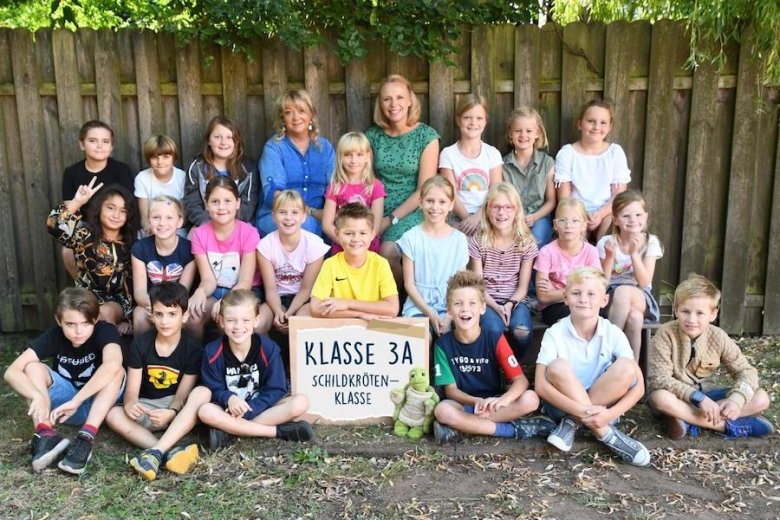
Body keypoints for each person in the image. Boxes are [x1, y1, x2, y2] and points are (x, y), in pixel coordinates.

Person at [534, 267, 650, 467]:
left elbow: (638, 385)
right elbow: (540, 386)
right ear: (565, 298)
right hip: (563, 405)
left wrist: (610, 414)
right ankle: (607, 435)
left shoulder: (612, 332)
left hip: (602, 408)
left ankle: (572, 424)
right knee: (557, 366)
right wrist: (584, 412)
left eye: (591, 294)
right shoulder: (555, 333)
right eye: (576, 293)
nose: (583, 299)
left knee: (626, 367)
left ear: (604, 301)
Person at [3, 288, 125, 475]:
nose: (78, 331)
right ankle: (45, 434)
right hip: (66, 408)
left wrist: (76, 402)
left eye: (85, 323)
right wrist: (38, 396)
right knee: (32, 367)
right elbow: (11, 372)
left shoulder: (104, 330)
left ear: (95, 319)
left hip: (100, 404)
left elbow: (113, 363)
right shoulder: (55, 335)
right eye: (70, 324)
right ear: (59, 321)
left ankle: (86, 438)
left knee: (116, 369)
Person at [432, 270, 555, 443]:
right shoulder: (442, 345)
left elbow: (521, 381)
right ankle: (512, 429)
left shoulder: (494, 337)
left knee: (530, 399)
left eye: (472, 303)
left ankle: (461, 429)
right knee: (442, 410)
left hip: (495, 402)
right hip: (465, 404)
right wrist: (476, 402)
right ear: (449, 310)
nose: (465, 309)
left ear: (482, 308)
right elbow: (451, 391)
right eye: (458, 303)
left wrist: (503, 400)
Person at [646, 274, 773, 440]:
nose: (692, 319)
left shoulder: (718, 336)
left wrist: (736, 400)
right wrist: (698, 399)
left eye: (700, 313)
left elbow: (746, 370)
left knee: (761, 398)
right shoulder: (665, 334)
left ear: (713, 314)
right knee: (659, 398)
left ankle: (688, 420)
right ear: (676, 309)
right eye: (685, 311)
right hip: (679, 396)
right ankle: (727, 426)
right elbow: (659, 378)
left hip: (710, 395)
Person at [106, 282, 208, 480]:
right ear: (151, 315)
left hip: (176, 409)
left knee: (201, 395)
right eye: (159, 314)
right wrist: (130, 404)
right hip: (149, 408)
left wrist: (171, 412)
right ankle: (164, 450)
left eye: (172, 314)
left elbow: (183, 393)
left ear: (184, 316)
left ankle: (157, 450)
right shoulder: (141, 344)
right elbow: (132, 390)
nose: (165, 321)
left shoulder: (193, 348)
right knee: (112, 414)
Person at [198, 289, 314, 449]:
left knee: (300, 402)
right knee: (205, 411)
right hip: (228, 409)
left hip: (260, 408)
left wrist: (250, 410)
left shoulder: (268, 348)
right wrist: (229, 398)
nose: (238, 326)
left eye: (246, 320)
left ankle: (229, 431)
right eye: (231, 320)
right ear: (221, 321)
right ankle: (277, 432)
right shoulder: (212, 351)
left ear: (256, 320)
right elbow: (213, 388)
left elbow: (276, 389)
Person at [365, 74, 440, 284]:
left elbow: (424, 190)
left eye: (399, 97)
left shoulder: (426, 137)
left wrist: (390, 220)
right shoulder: (372, 137)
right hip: (378, 207)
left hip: (413, 210)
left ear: (409, 100)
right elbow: (367, 183)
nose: (393, 104)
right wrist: (375, 218)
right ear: (380, 104)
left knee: (388, 250)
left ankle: (403, 301)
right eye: (387, 99)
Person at [47, 177, 136, 335]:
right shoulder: (84, 234)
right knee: (74, 314)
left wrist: (128, 318)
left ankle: (106, 356)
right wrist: (78, 201)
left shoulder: (130, 244)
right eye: (110, 208)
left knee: (102, 314)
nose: (116, 215)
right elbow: (54, 226)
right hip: (84, 296)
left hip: (114, 301)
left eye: (123, 211)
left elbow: (132, 284)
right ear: (99, 207)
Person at [468, 182, 537, 360]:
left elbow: (523, 287)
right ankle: (492, 370)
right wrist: (496, 306)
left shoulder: (526, 242)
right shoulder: (478, 241)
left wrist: (509, 305)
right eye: (496, 207)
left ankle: (515, 367)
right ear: (487, 209)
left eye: (508, 207)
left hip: (516, 300)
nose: (501, 213)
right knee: (493, 329)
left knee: (522, 332)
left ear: (516, 211)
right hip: (487, 299)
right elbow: (478, 285)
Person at [256, 89, 335, 237]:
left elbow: (336, 187)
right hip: (280, 216)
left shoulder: (325, 148)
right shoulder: (274, 148)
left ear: (311, 114)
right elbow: (275, 194)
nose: (296, 117)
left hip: (322, 216)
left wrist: (332, 215)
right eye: (288, 112)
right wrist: (309, 212)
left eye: (301, 111)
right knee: (307, 226)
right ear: (282, 119)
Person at [61, 120, 134, 279]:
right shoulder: (72, 173)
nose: (99, 146)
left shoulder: (121, 170)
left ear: (111, 146)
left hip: (117, 225)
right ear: (82, 144)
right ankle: (86, 287)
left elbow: (126, 208)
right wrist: (80, 201)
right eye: (93, 141)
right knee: (67, 250)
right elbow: (68, 214)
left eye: (105, 141)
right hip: (87, 227)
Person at [398, 176, 468, 336]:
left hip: (450, 304)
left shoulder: (459, 240)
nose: (435, 207)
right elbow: (409, 284)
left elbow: (460, 283)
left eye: (442, 202)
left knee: (457, 335)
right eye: (430, 201)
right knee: (423, 337)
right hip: (419, 304)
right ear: (421, 202)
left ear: (451, 205)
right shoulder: (411, 237)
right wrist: (430, 314)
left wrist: (449, 317)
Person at [189, 177, 261, 332]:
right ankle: (198, 356)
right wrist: (200, 291)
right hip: (214, 290)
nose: (221, 207)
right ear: (206, 204)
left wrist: (225, 302)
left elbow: (246, 281)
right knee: (192, 317)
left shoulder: (249, 233)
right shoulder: (200, 234)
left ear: (238, 203)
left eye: (227, 201)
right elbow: (208, 279)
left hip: (244, 291)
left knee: (230, 316)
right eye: (215, 202)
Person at [597, 190, 663, 359]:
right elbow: (602, 283)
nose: (633, 220)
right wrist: (610, 257)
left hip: (641, 295)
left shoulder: (651, 242)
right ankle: (631, 366)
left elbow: (644, 281)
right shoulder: (606, 243)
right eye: (626, 215)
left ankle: (607, 353)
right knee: (634, 317)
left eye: (638, 215)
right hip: (610, 297)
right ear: (615, 220)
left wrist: (634, 254)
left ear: (645, 218)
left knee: (624, 292)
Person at [555, 100, 630, 242]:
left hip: (607, 211)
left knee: (609, 240)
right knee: (575, 243)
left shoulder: (615, 152)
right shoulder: (567, 153)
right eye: (591, 121)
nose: (596, 126)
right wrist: (581, 217)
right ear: (579, 124)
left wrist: (600, 214)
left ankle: (606, 262)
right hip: (575, 213)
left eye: (603, 123)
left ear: (610, 127)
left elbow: (619, 195)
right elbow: (564, 197)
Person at [257, 190, 329, 336]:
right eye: (282, 212)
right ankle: (263, 357)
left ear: (303, 216)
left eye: (295, 212)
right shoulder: (265, 245)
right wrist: (278, 311)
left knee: (302, 323)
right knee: (258, 324)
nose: (288, 218)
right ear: (273, 216)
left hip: (305, 299)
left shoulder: (314, 244)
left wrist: (290, 313)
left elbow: (306, 288)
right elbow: (270, 289)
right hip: (277, 298)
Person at [310, 203, 399, 319]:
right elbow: (315, 308)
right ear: (337, 234)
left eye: (362, 233)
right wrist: (359, 314)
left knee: (415, 332)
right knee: (303, 313)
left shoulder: (380, 263)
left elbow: (392, 309)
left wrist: (347, 303)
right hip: (342, 328)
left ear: (372, 235)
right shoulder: (330, 264)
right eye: (348, 233)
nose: (356, 239)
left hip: (374, 326)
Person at [131, 196, 196, 336]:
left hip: (176, 305)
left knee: (191, 316)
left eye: (169, 218)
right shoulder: (140, 248)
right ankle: (140, 355)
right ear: (148, 220)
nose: (162, 223)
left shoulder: (189, 250)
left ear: (180, 221)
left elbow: (183, 291)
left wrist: (166, 312)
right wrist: (156, 308)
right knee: (139, 314)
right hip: (150, 303)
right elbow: (139, 292)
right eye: (156, 217)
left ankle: (190, 355)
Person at [438, 94, 502, 237]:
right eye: (467, 117)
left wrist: (478, 217)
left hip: (487, 212)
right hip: (457, 213)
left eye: (479, 118)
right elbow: (451, 193)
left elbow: (495, 191)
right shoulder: (448, 154)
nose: (473, 122)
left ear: (485, 121)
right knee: (462, 243)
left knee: (488, 242)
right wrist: (467, 218)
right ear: (458, 120)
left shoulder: (492, 154)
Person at [535, 199, 601, 325]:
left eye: (575, 221)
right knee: (573, 317)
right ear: (555, 225)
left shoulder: (591, 252)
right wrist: (580, 291)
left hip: (585, 303)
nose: (568, 225)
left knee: (599, 314)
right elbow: (543, 296)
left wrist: (557, 291)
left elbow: (597, 288)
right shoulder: (547, 252)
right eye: (563, 220)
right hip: (555, 307)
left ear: (584, 225)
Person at [184, 116, 258, 227]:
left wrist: (226, 225)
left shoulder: (247, 168)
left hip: (238, 224)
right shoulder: (197, 167)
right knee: (193, 237)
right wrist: (209, 224)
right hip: (205, 224)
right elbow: (192, 204)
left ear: (236, 141)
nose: (223, 142)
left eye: (229, 137)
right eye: (217, 137)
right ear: (209, 140)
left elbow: (248, 205)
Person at [321, 131, 385, 253]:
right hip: (342, 248)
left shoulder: (375, 186)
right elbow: (327, 224)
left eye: (359, 154)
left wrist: (362, 244)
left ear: (367, 156)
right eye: (348, 155)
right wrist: (346, 243)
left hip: (368, 248)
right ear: (340, 157)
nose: (353, 160)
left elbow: (376, 224)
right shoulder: (335, 187)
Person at [502, 107, 556, 247]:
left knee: (535, 241)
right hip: (511, 218)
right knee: (510, 242)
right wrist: (515, 218)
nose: (523, 135)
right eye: (518, 131)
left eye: (529, 131)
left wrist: (535, 217)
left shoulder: (547, 163)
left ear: (537, 133)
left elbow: (551, 201)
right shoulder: (503, 166)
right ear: (510, 133)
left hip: (539, 217)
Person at [134, 135, 187, 238]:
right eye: (155, 157)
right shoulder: (142, 178)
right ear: (149, 159)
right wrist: (154, 229)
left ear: (174, 157)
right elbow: (144, 218)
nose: (160, 162)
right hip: (152, 228)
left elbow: (182, 216)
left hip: (176, 228)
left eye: (166, 157)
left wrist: (167, 231)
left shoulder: (181, 177)